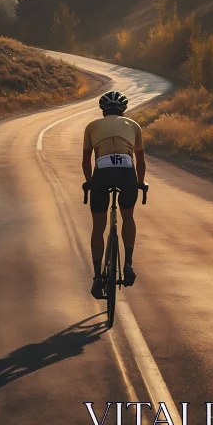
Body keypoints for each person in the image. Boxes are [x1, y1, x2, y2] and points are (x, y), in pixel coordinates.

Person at [82, 90, 147, 300]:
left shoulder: (91, 126)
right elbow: (140, 162)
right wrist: (139, 183)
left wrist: (90, 183)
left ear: (102, 111)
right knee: (128, 217)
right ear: (124, 110)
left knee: (98, 227)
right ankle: (128, 264)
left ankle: (97, 277)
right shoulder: (134, 126)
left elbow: (86, 161)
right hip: (126, 173)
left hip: (102, 174)